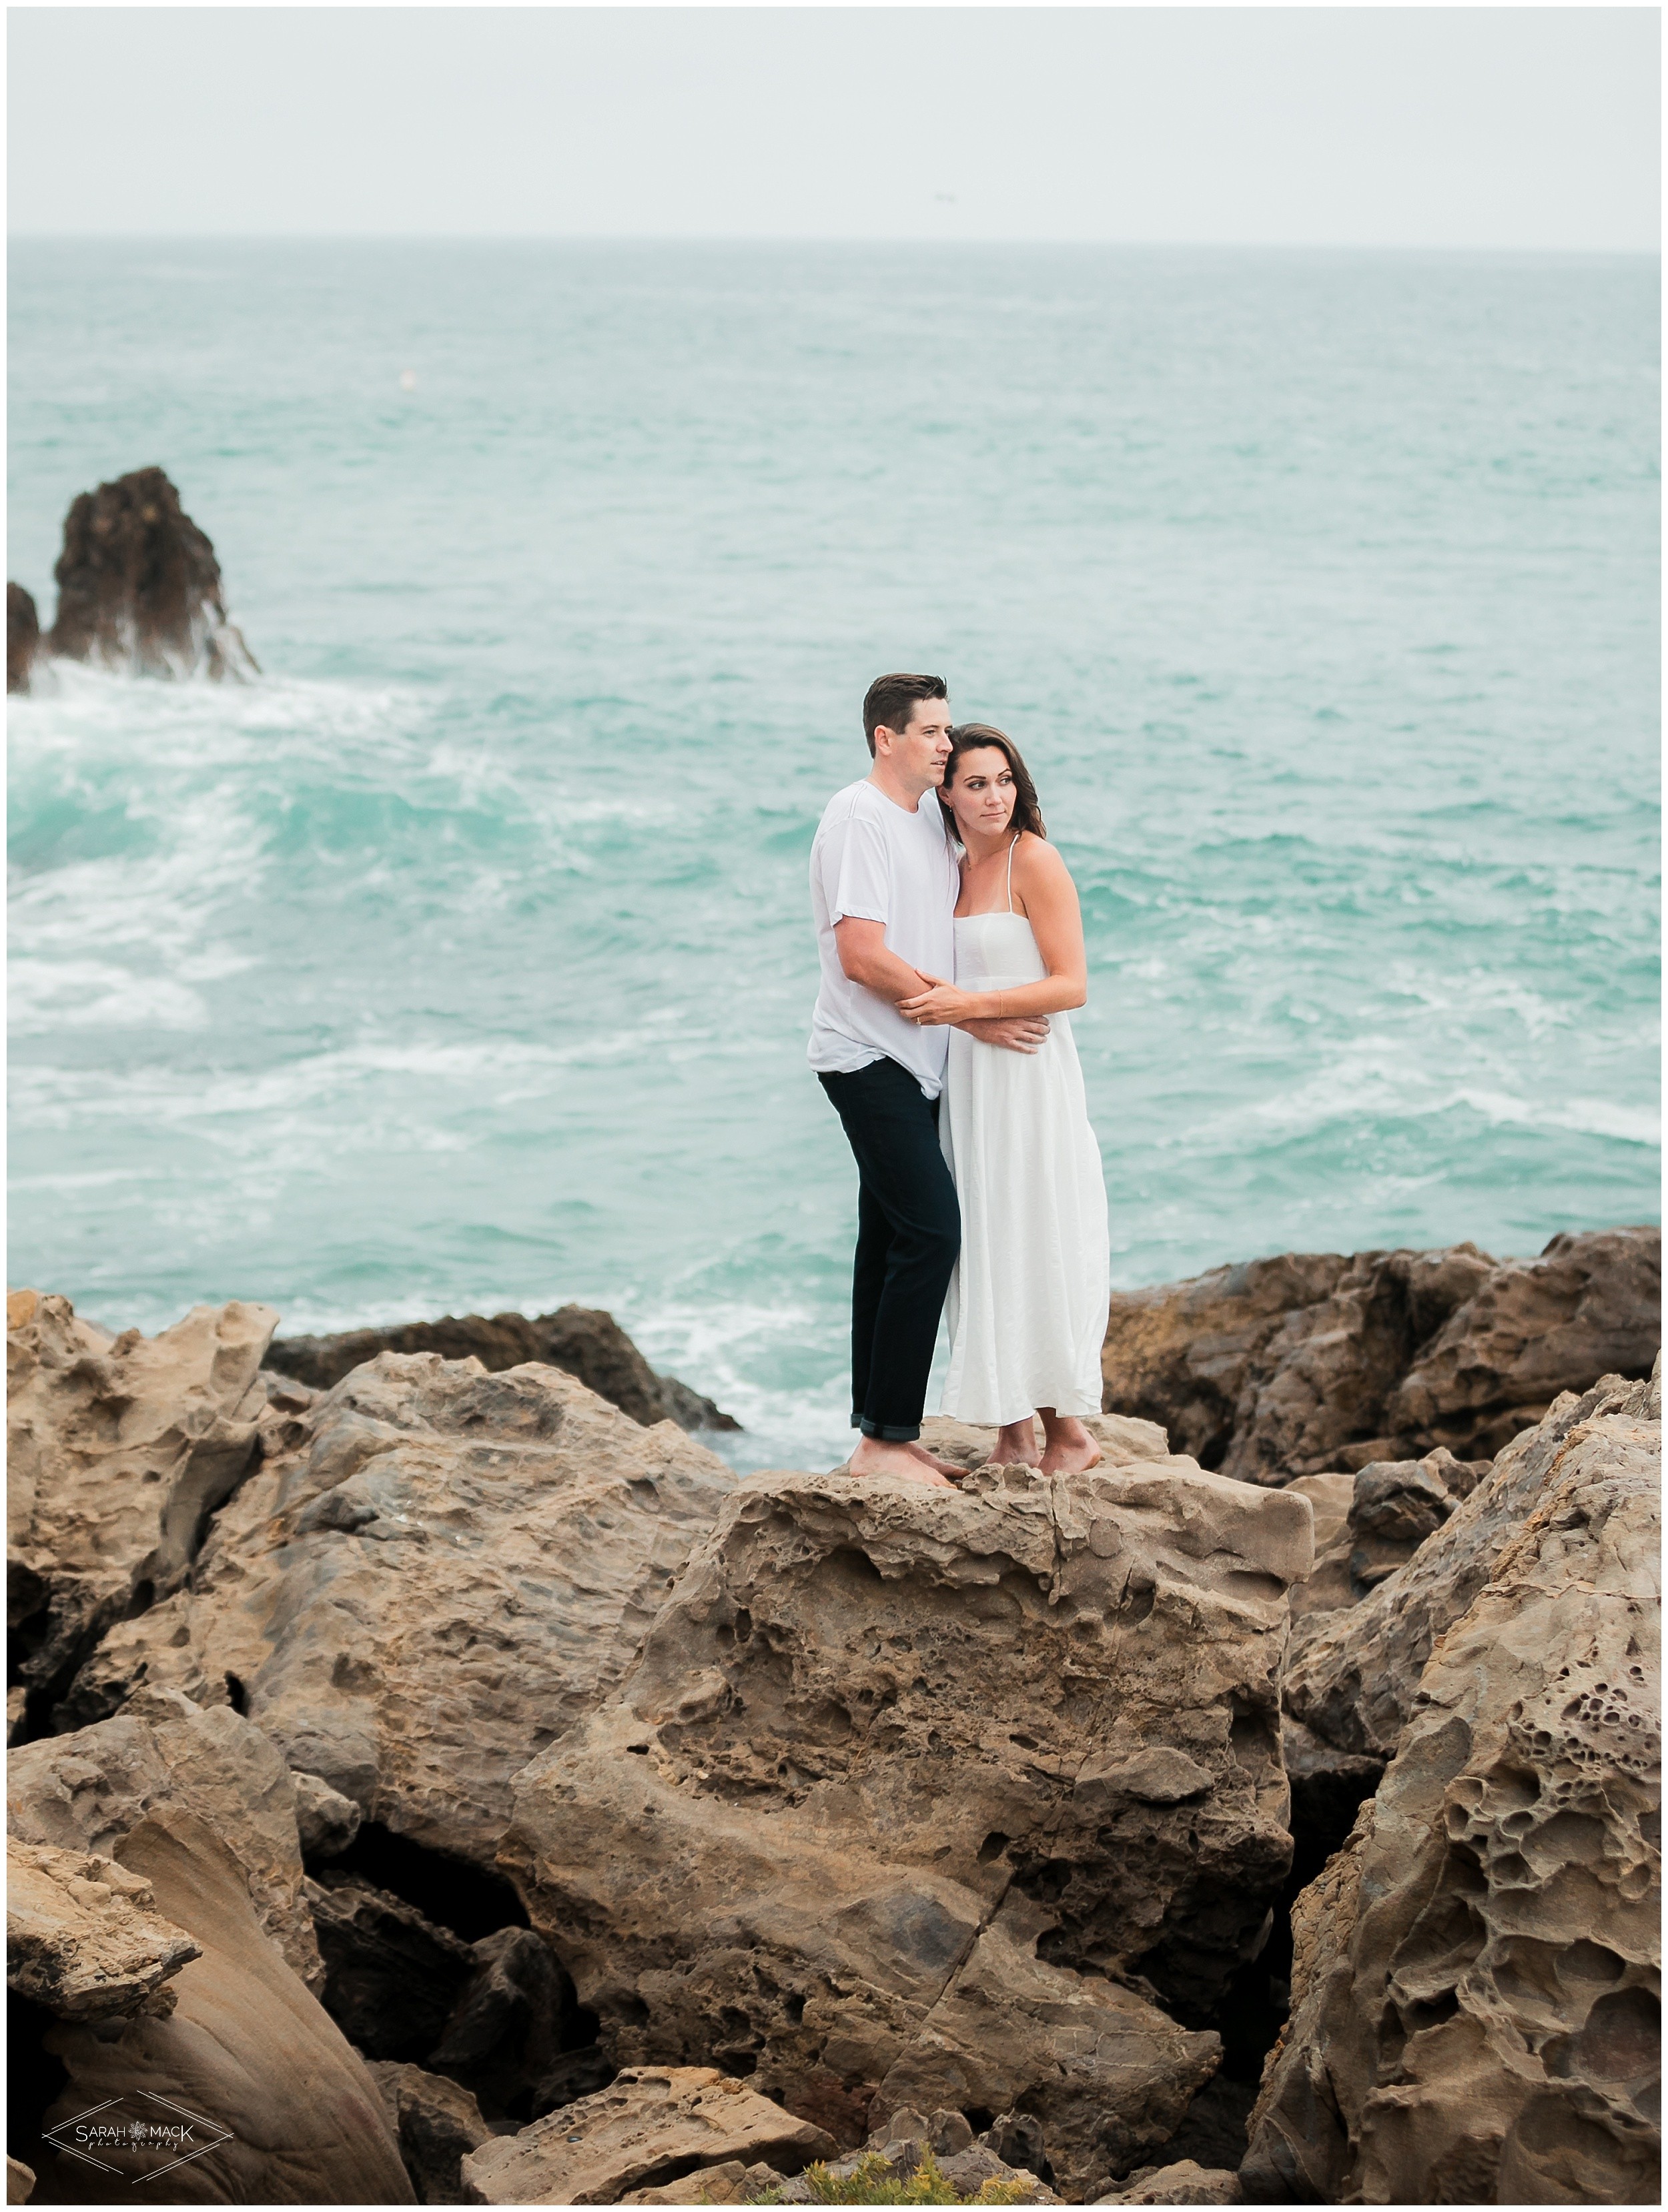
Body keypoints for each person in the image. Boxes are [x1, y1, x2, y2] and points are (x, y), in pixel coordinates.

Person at [809, 676, 1052, 1485]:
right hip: (866, 1054)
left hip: (916, 1061)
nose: (947, 746)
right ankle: (885, 1442)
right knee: (930, 1233)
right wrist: (973, 1017)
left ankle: (882, 1435)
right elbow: (861, 954)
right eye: (932, 733)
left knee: (886, 1241)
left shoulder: (921, 819)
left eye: (948, 731)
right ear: (886, 738)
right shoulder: (858, 815)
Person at [899, 723, 1110, 1474]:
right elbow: (934, 984)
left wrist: (975, 1013)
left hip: (1029, 1079)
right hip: (970, 1081)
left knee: (1034, 1234)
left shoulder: (1036, 859)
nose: (995, 798)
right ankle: (1013, 1435)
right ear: (946, 794)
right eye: (977, 784)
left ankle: (1071, 1437)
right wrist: (970, 1020)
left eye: (1005, 781)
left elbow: (1070, 983)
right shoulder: (947, 870)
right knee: (986, 1242)